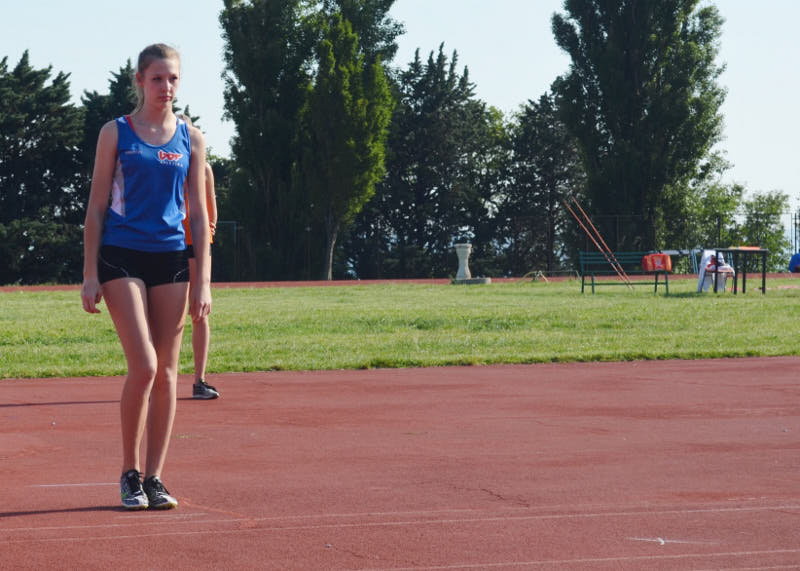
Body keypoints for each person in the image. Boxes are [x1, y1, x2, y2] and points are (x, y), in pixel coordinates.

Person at [81, 44, 211, 510]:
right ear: (139, 80)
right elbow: (97, 206)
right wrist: (89, 273)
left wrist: (203, 280)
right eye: (157, 78)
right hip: (121, 256)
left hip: (171, 258)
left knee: (169, 373)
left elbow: (198, 214)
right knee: (146, 366)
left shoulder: (191, 138)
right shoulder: (115, 132)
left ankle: (155, 478)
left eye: (173, 78)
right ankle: (129, 473)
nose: (166, 87)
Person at [177, 114, 219, 400]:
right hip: (169, 244)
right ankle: (158, 380)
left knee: (199, 312)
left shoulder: (203, 168)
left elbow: (211, 209)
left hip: (196, 245)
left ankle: (199, 380)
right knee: (169, 316)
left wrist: (206, 236)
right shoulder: (167, 165)